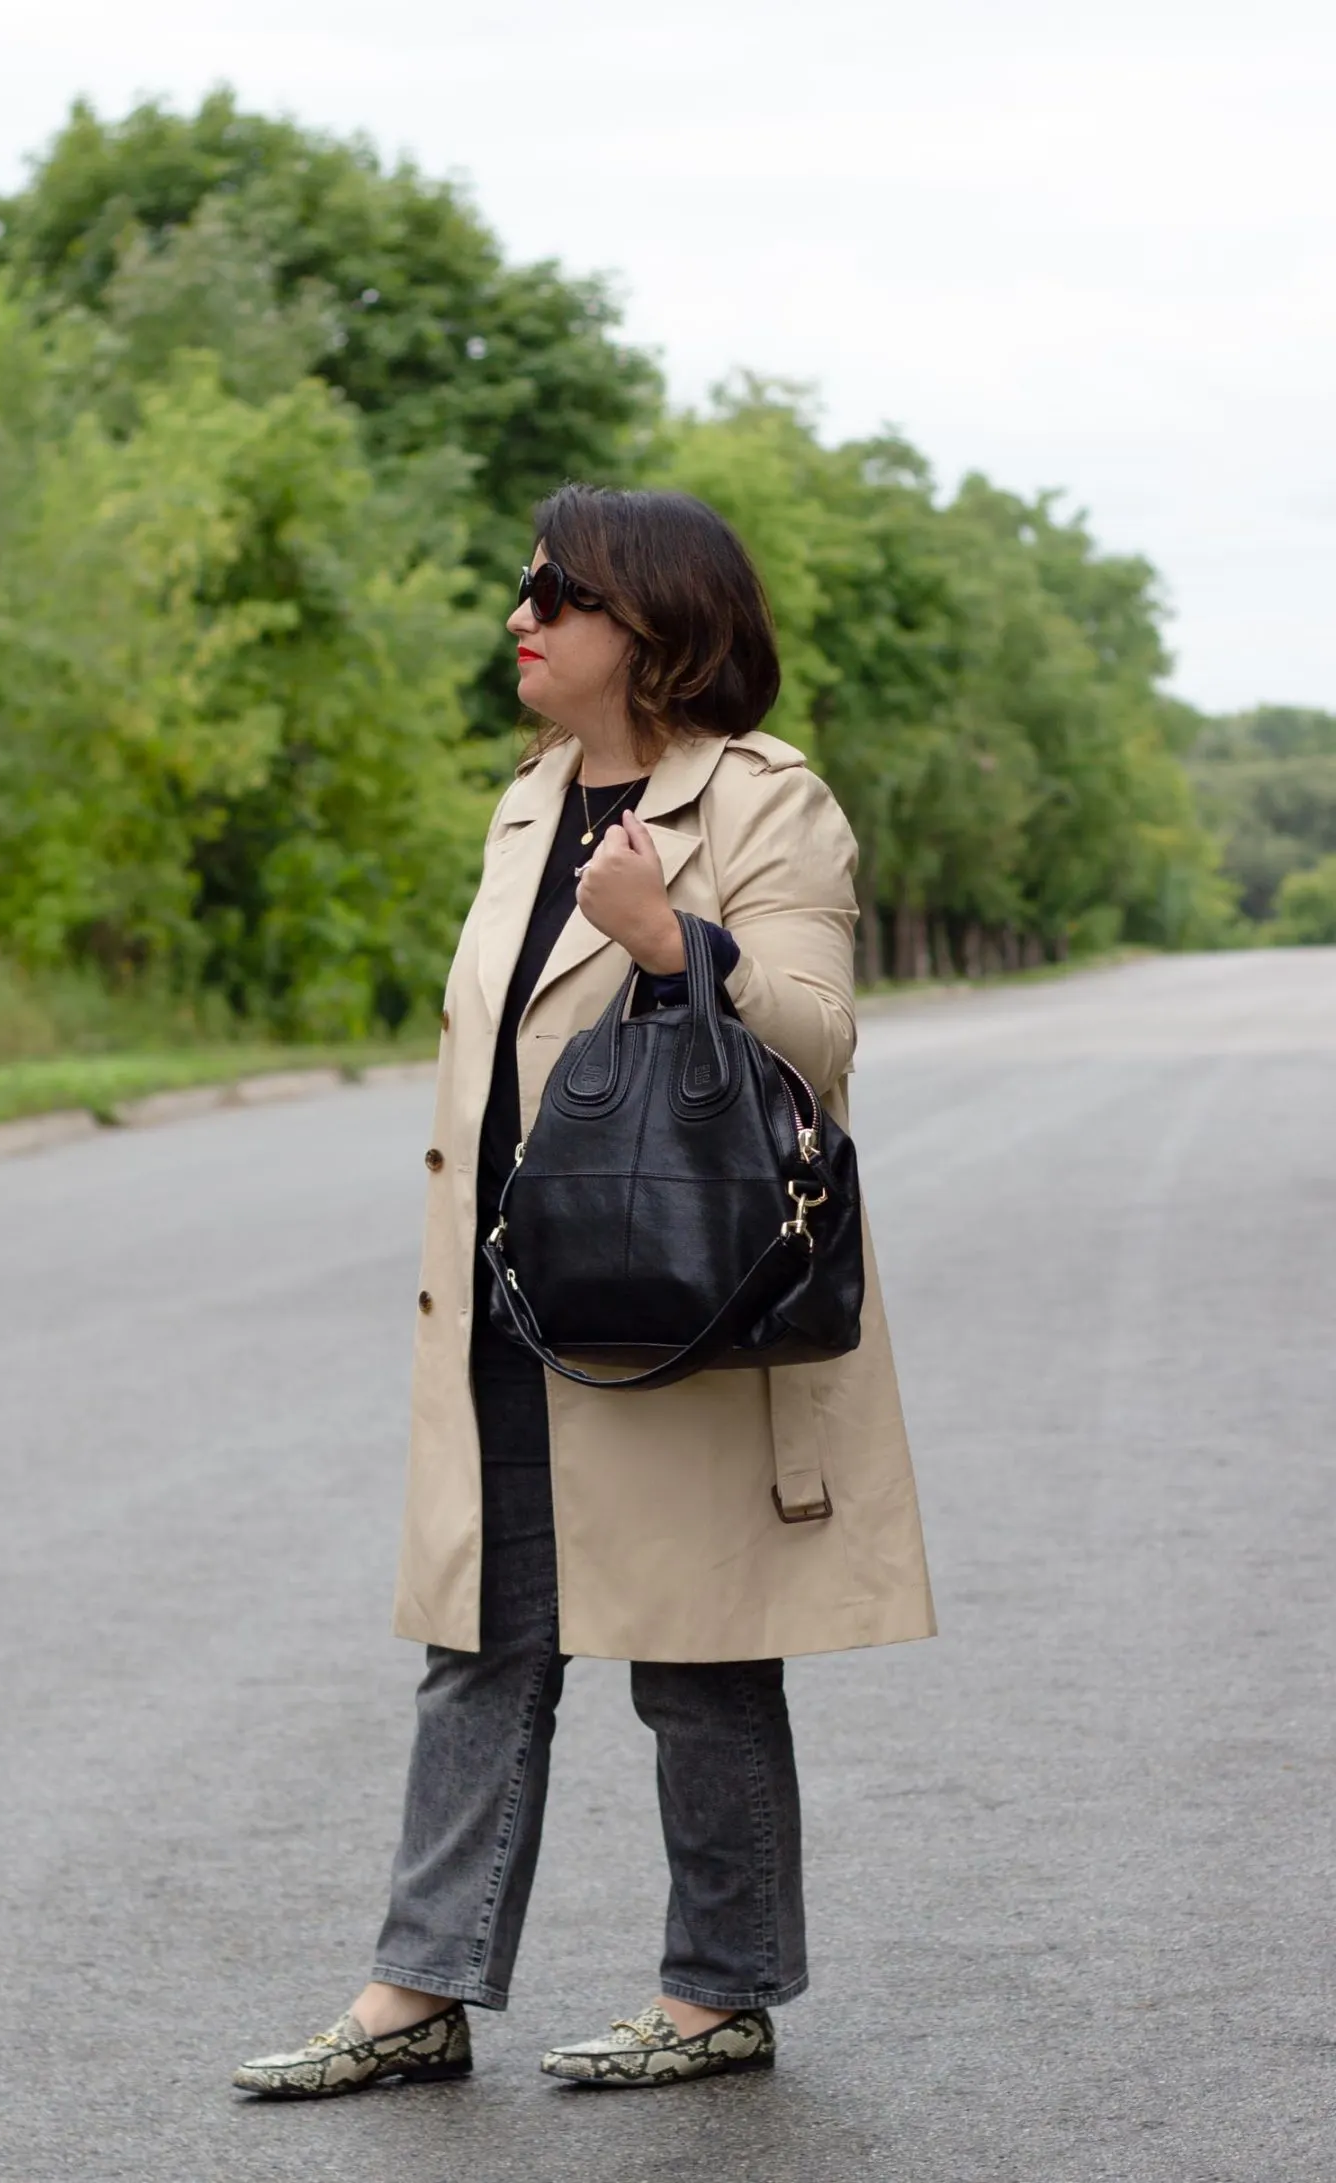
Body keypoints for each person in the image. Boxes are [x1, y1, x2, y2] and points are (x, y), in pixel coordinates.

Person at [234, 485, 934, 2099]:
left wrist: (678, 940)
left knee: (699, 1645)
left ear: (653, 623)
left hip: (682, 1301)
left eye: (554, 589)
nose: (520, 615)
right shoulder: (526, 803)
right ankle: (415, 1989)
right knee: (479, 1638)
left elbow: (820, 1045)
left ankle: (722, 1992)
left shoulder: (767, 804)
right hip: (512, 1295)